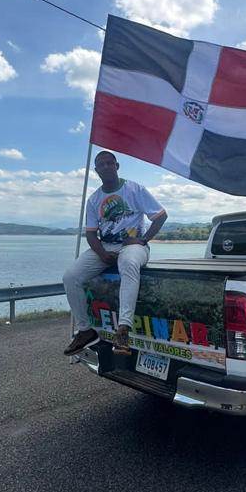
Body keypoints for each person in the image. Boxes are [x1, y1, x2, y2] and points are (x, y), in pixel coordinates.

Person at [63, 150, 167, 356]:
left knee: (128, 263)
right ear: (96, 170)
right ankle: (85, 331)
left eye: (110, 163)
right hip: (106, 246)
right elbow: (92, 235)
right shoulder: (94, 200)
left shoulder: (135, 190)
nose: (106, 167)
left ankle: (123, 329)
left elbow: (161, 216)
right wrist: (102, 253)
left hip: (133, 245)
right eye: (101, 165)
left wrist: (143, 239)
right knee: (70, 277)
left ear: (117, 166)